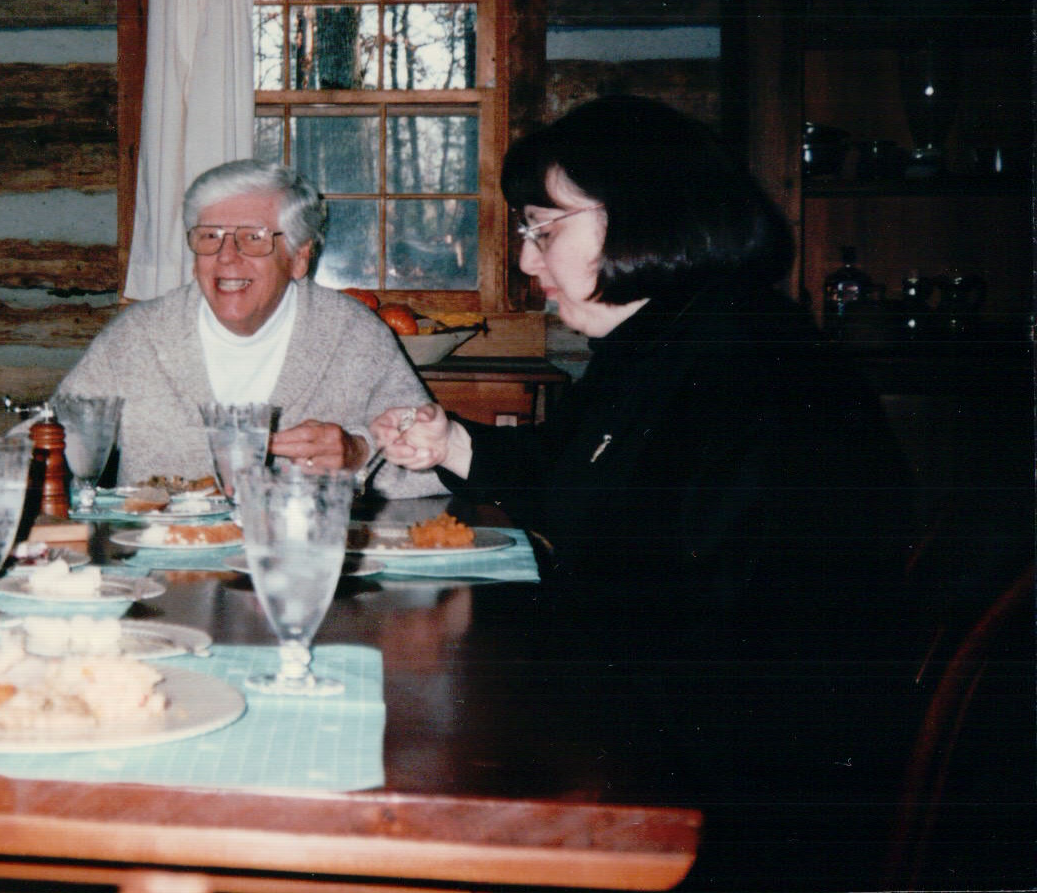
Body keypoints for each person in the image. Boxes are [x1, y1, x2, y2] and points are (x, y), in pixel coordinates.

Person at [369, 95, 920, 889]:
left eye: (542, 230)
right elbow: (584, 476)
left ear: (641, 214)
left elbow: (714, 625)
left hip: (739, 804)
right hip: (676, 734)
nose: (527, 263)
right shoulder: (666, 338)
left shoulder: (747, 370)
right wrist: (453, 444)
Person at [58, 158, 436, 497]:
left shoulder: (353, 335)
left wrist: (358, 454)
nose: (226, 257)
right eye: (210, 236)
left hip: (300, 549)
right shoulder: (138, 336)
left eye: (253, 238)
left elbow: (436, 462)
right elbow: (51, 441)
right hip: (160, 551)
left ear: (299, 258)